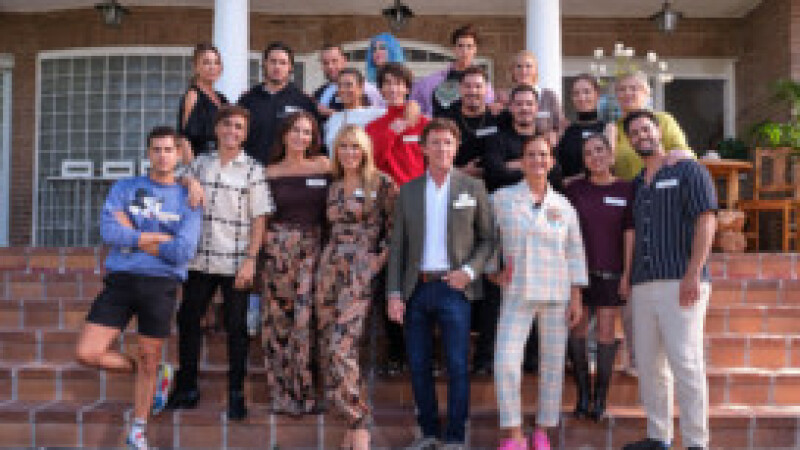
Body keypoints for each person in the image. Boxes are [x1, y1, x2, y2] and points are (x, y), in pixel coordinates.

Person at [75, 126, 202, 450]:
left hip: (160, 283)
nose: (162, 155)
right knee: (88, 352)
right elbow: (110, 233)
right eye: (156, 149)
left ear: (178, 155)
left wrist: (133, 236)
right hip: (120, 279)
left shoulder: (189, 197)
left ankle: (138, 430)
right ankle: (155, 374)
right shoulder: (124, 188)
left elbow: (183, 251)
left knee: (149, 355)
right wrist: (158, 237)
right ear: (148, 153)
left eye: (168, 150)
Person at [387, 119, 494, 449]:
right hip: (416, 288)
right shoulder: (409, 190)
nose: (442, 148)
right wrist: (394, 293)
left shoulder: (473, 188)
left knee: (458, 365)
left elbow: (488, 240)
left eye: (448, 142)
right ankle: (429, 433)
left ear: (456, 147)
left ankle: (455, 437)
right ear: (423, 148)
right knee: (419, 365)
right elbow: (398, 247)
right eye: (435, 142)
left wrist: (469, 272)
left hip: (454, 288)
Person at [165, 105, 273, 421]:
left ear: (245, 133)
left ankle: (236, 393)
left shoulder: (253, 170)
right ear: (217, 129)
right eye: (227, 125)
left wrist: (251, 260)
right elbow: (177, 177)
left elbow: (260, 218)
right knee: (188, 321)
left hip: (235, 261)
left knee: (237, 328)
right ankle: (187, 387)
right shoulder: (201, 163)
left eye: (238, 127)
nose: (232, 131)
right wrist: (189, 182)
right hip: (200, 259)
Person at [621, 110, 717, 450]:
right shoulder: (637, 184)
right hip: (643, 284)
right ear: (629, 141)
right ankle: (659, 437)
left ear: (659, 131)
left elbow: (706, 220)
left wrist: (693, 273)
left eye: (645, 129)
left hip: (680, 281)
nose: (641, 136)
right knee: (650, 366)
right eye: (634, 133)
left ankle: (696, 442)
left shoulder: (688, 170)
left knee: (686, 363)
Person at [491, 134, 587, 450]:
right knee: (505, 361)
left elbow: (575, 251)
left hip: (556, 292)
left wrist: (576, 295)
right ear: (521, 161)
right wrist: (491, 269)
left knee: (552, 364)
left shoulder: (564, 205)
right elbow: (486, 238)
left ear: (552, 161)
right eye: (531, 154)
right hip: (517, 291)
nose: (537, 160)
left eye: (543, 154)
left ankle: (543, 429)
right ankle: (513, 432)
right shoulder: (502, 199)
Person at [315, 125, 397, 450]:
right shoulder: (332, 185)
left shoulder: (382, 183)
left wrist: (379, 260)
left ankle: (359, 423)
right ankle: (351, 424)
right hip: (329, 267)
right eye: (344, 146)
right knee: (328, 345)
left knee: (342, 345)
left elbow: (396, 229)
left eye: (355, 147)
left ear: (365, 151)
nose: (349, 153)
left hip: (361, 269)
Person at [259, 111, 331, 416]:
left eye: (307, 132)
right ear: (284, 134)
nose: (301, 137)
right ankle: (282, 394)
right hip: (278, 251)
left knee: (306, 321)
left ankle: (307, 393)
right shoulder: (269, 171)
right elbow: (261, 215)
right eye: (296, 130)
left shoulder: (324, 165)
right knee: (278, 324)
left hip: (314, 250)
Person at [563, 133, 634, 422]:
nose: (595, 157)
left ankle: (600, 399)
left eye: (600, 150)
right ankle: (582, 396)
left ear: (610, 154)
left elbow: (630, 234)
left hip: (611, 273)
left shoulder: (626, 189)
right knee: (577, 333)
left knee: (606, 333)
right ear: (584, 160)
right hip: (578, 275)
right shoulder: (574, 190)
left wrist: (627, 274)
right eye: (589, 153)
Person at [238, 41, 318, 165]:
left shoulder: (303, 101)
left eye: (283, 62)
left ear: (290, 67)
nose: (277, 67)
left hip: (289, 171)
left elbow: (314, 140)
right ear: (264, 64)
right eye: (273, 61)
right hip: (252, 169)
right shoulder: (247, 100)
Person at [614, 71, 692, 180]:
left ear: (646, 93)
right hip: (625, 188)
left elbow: (682, 151)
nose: (627, 93)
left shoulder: (663, 120)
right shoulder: (614, 128)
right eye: (622, 89)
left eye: (633, 88)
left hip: (662, 186)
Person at [366, 63, 430, 188]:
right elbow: (373, 162)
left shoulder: (423, 123)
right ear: (381, 89)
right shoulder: (372, 127)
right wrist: (390, 134)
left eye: (398, 83)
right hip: (386, 193)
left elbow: (432, 161)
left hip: (417, 191)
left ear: (407, 89)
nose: (393, 89)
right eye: (388, 83)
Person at [410, 24, 495, 116]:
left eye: (469, 46)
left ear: (475, 49)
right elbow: (414, 106)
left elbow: (488, 110)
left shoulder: (484, 84)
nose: (464, 51)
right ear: (454, 49)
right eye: (460, 46)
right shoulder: (432, 82)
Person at [438, 65, 499, 179]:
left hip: (494, 185)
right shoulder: (445, 120)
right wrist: (462, 172)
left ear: (486, 89)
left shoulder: (498, 117)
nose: (473, 91)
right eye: (467, 86)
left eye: (478, 86)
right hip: (456, 183)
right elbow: (434, 160)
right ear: (460, 89)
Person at [496, 51, 567, 142]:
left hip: (543, 148)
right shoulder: (503, 97)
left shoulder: (548, 96)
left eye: (528, 66)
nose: (523, 71)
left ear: (535, 70)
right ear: (512, 71)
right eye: (519, 66)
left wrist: (555, 136)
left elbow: (560, 126)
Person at [556, 74, 615, 179]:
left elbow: (608, 164)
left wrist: (571, 181)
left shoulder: (607, 128)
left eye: (587, 92)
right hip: (566, 188)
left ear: (597, 95)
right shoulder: (566, 130)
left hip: (594, 188)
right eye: (576, 93)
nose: (581, 98)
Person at [177, 43, 229, 160]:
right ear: (196, 67)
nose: (212, 67)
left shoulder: (222, 99)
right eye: (206, 63)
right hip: (201, 161)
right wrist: (192, 167)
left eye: (216, 63)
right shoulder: (193, 95)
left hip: (221, 161)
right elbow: (184, 137)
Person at [323, 68, 385, 154]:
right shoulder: (333, 119)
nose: (343, 90)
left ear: (361, 88)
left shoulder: (377, 115)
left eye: (349, 85)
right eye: (340, 85)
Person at [313, 44, 383, 117]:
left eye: (334, 61)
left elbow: (375, 117)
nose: (330, 66)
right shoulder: (319, 93)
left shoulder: (366, 89)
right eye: (325, 63)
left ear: (344, 60)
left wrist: (334, 114)